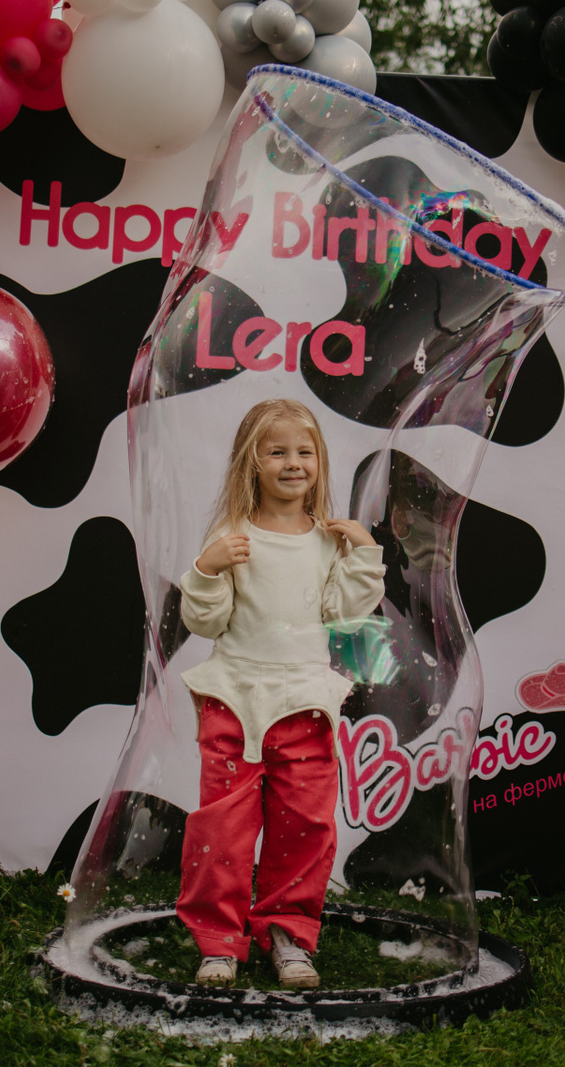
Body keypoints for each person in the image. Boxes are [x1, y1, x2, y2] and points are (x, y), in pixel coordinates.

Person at [176, 398, 386, 989]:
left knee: (305, 826)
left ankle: (288, 935)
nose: (293, 463)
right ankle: (219, 942)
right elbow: (206, 622)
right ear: (252, 463)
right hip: (234, 701)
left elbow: (342, 613)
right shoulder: (233, 536)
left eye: (304, 452)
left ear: (319, 461)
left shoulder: (327, 542)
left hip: (304, 706)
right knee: (223, 829)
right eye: (277, 452)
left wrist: (363, 554)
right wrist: (208, 568)